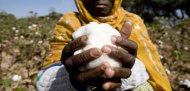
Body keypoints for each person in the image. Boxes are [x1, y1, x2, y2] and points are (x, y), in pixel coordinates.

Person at [36, 0, 172, 91]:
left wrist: (130, 71)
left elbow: (151, 68)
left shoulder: (133, 21)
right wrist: (71, 80)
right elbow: (42, 80)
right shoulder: (69, 22)